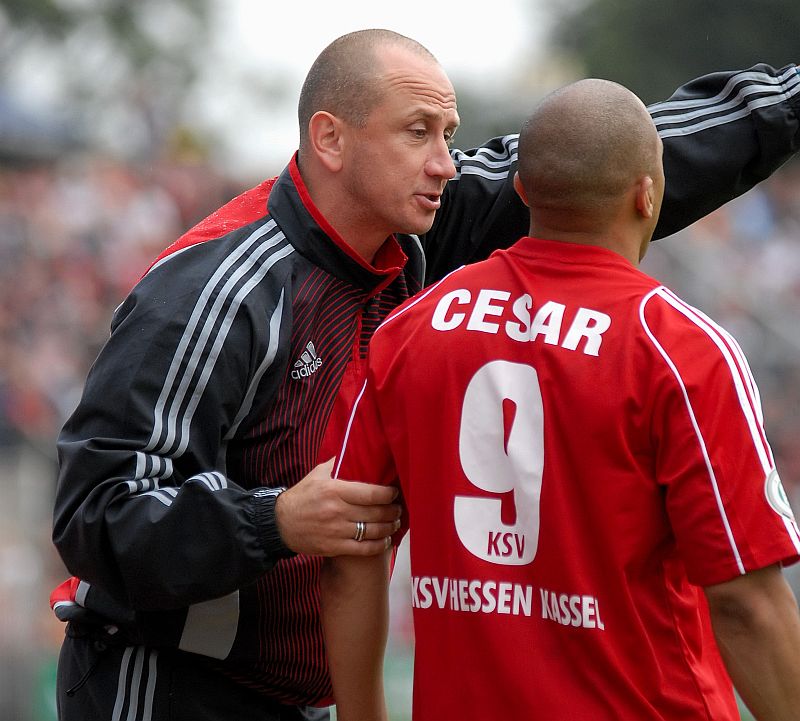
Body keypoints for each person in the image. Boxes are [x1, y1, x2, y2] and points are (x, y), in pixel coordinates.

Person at [50, 26, 800, 721]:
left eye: (450, 134)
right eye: (418, 132)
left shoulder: (417, 230)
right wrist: (272, 518)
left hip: (304, 697)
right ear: (331, 139)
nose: (445, 162)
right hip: (168, 687)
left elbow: (600, 165)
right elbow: (94, 510)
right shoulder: (214, 293)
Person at [320, 77, 800, 721]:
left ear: (520, 190)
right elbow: (745, 602)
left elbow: (349, 549)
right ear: (647, 193)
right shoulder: (680, 350)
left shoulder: (410, 330)